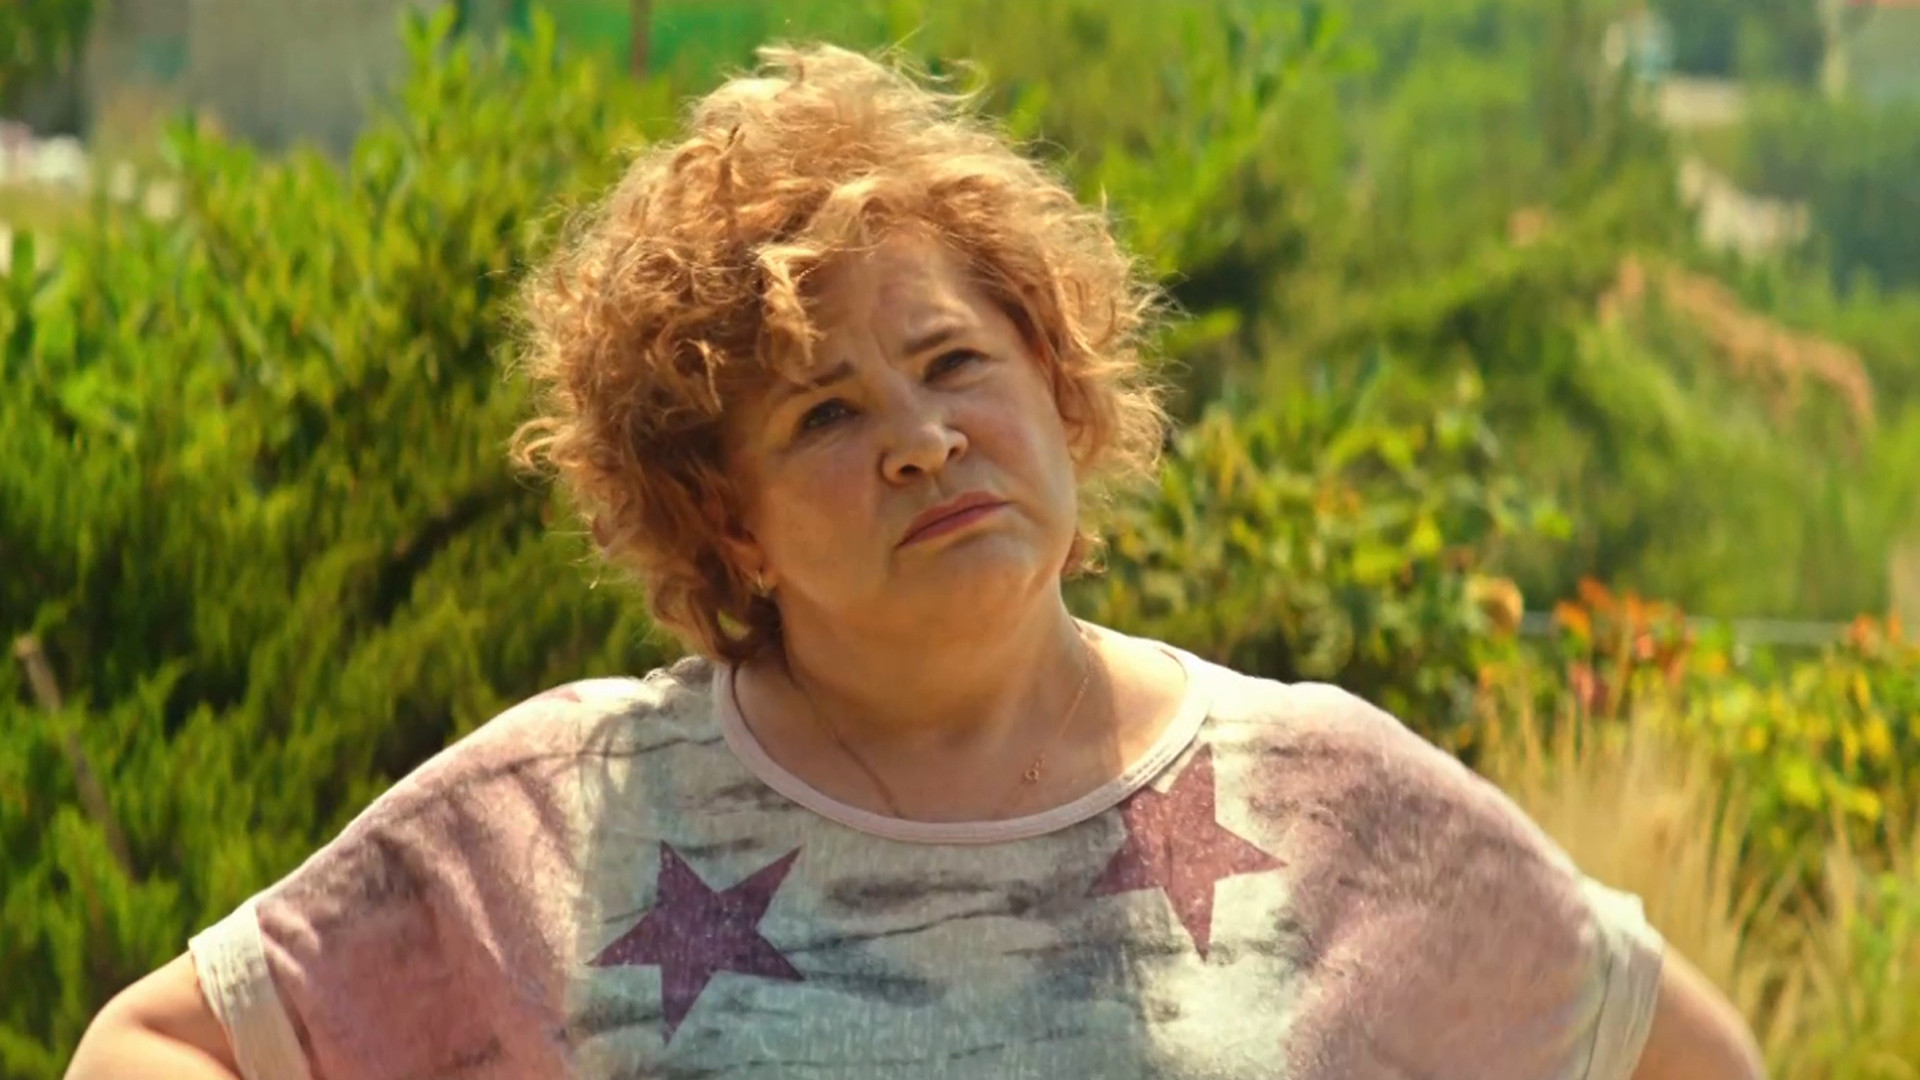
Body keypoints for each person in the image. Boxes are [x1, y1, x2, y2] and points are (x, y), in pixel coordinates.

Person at [67, 43, 1766, 1080]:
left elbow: (1683, 1057)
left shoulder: (1323, 793)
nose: (923, 440)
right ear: (726, 521)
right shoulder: (565, 816)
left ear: (1059, 382)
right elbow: (155, 1049)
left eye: (957, 363)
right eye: (825, 413)